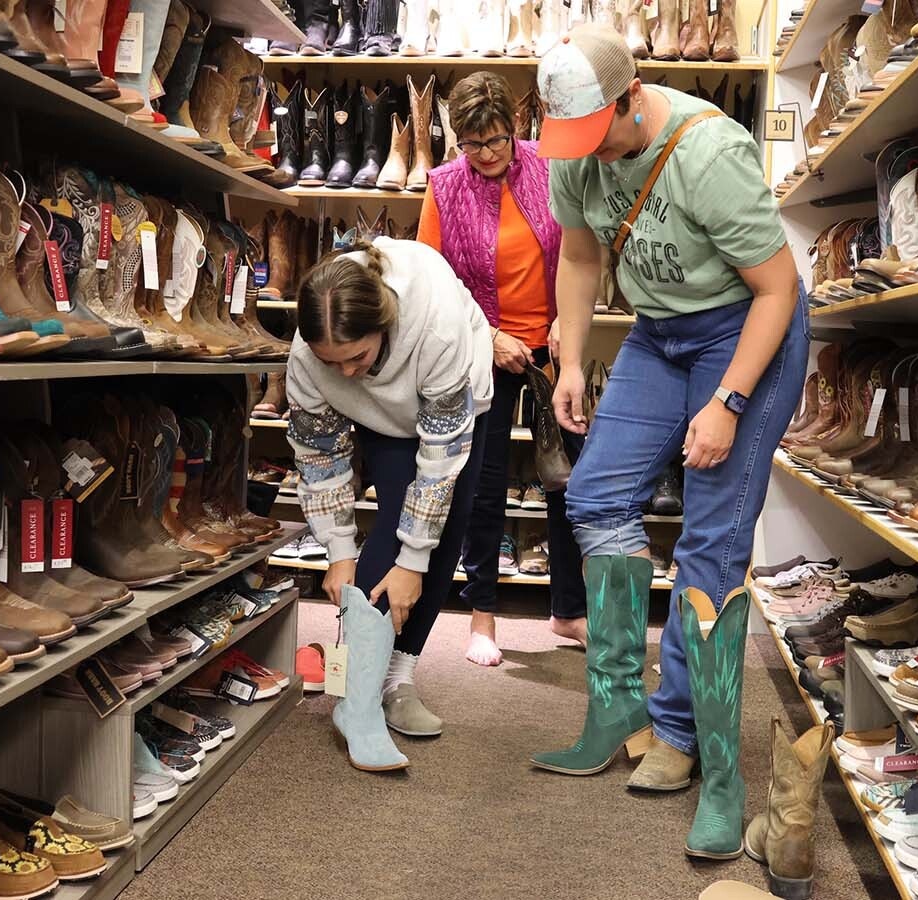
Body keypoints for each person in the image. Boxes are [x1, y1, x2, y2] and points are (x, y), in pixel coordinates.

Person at [528, 24, 809, 862]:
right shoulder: (574, 152)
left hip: (746, 330)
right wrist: (571, 358)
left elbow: (777, 288)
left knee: (710, 547)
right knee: (595, 496)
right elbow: (580, 256)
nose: (584, 152)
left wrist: (727, 402)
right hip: (659, 333)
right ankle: (620, 705)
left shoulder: (708, 153)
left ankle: (709, 762)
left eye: (597, 131)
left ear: (630, 97)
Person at [285, 236, 493, 771]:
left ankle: (396, 678)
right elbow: (320, 455)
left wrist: (414, 560)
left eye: (356, 356)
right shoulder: (311, 358)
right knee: (391, 527)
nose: (347, 371)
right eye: (334, 364)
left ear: (383, 324)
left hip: (455, 393)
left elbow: (441, 459)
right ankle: (355, 700)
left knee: (442, 528)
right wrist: (336, 549)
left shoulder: (435, 324)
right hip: (381, 411)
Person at [416, 72, 586, 668]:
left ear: (517, 129)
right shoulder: (443, 186)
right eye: (472, 143)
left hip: (554, 348)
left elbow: (579, 249)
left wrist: (571, 319)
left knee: (569, 482)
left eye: (496, 140)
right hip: (482, 349)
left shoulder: (548, 166)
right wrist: (487, 336)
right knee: (483, 488)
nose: (486, 154)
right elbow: (433, 285)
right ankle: (482, 614)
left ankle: (568, 610)